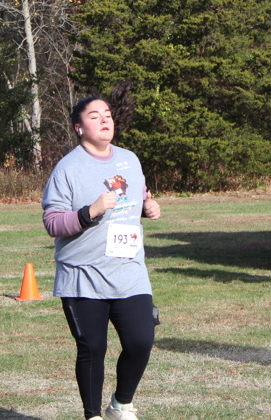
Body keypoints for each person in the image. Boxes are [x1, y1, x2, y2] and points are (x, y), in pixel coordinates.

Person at [42, 95, 161, 420]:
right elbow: (52, 223)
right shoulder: (68, 169)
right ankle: (93, 415)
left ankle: (120, 405)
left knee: (140, 340)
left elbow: (137, 195)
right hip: (84, 275)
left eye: (107, 114)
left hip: (129, 271)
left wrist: (148, 206)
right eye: (94, 116)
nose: (105, 120)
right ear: (79, 127)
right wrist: (89, 212)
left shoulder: (129, 159)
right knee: (93, 349)